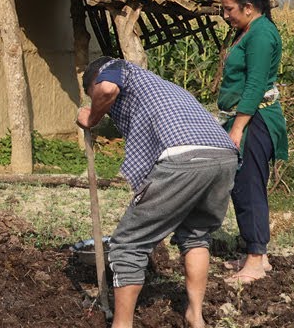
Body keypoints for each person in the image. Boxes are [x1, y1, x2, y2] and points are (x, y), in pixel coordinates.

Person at [78, 58, 238, 328]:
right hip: (223, 156)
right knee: (196, 236)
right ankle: (195, 317)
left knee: (128, 244)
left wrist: (91, 117)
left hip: (184, 158)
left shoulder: (116, 68)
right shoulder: (158, 86)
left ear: (93, 80)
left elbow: (106, 90)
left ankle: (121, 324)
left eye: (89, 93)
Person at [218, 0, 287, 283]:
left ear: (248, 7)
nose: (225, 15)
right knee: (245, 185)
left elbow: (255, 86)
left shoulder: (260, 35)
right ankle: (258, 254)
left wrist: (238, 129)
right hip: (245, 119)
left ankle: (256, 262)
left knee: (248, 188)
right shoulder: (250, 30)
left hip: (254, 121)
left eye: (229, 9)